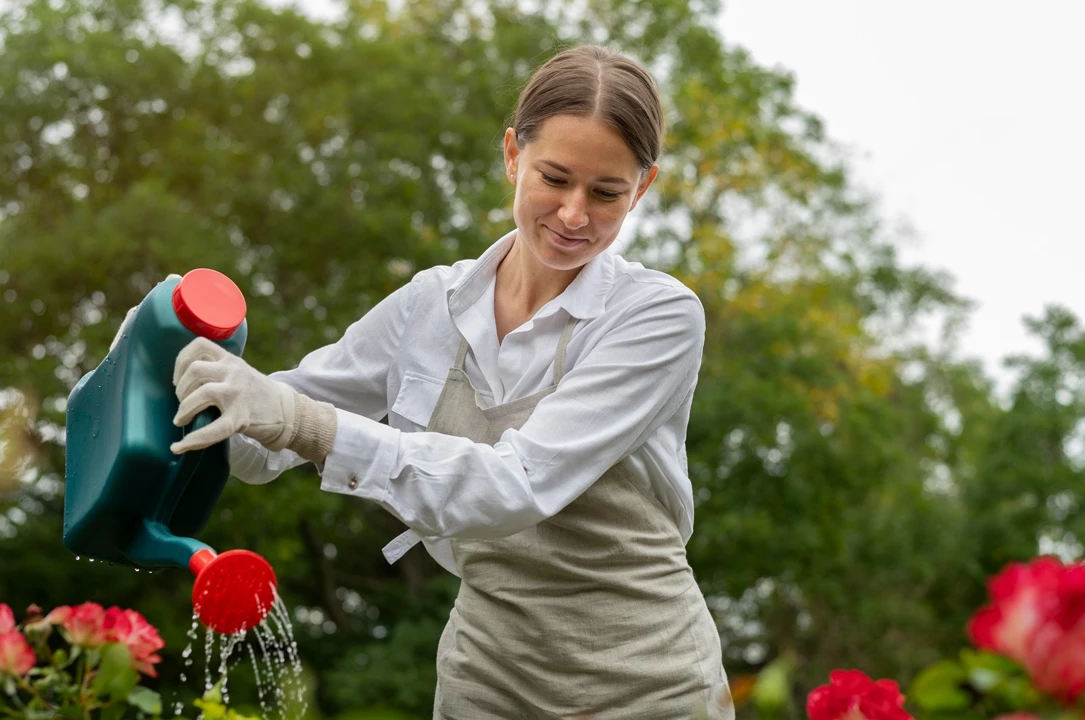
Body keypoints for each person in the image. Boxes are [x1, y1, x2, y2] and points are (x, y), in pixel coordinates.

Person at [167, 45, 735, 720]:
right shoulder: (429, 307)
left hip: (645, 684)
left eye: (606, 192)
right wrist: (183, 379)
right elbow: (261, 448)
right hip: (487, 678)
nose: (575, 214)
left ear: (641, 189)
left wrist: (301, 421)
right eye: (555, 178)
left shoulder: (655, 316)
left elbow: (514, 486)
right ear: (511, 157)